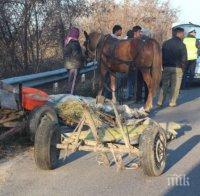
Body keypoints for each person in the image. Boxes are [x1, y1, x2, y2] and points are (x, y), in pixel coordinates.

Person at [157, 27, 187, 107]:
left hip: (166, 67)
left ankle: (160, 102)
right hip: (178, 68)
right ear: (179, 33)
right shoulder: (182, 44)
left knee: (164, 85)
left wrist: (163, 66)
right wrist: (183, 69)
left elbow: (161, 56)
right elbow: (184, 58)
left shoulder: (166, 43)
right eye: (183, 34)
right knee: (176, 86)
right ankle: (172, 102)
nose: (183, 35)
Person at [104, 25, 123, 99]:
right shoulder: (111, 39)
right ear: (117, 31)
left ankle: (111, 96)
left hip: (113, 64)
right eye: (120, 30)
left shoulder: (115, 39)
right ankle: (106, 96)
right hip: (108, 64)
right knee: (108, 80)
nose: (121, 32)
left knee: (112, 81)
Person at [64, 27, 84, 94]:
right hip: (75, 64)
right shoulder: (74, 42)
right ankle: (71, 96)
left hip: (69, 64)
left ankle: (68, 93)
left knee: (70, 80)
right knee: (74, 81)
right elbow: (76, 55)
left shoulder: (67, 41)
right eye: (77, 33)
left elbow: (66, 54)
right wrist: (83, 58)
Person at [132, 26, 148, 103]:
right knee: (139, 82)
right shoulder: (133, 41)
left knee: (144, 81)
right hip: (138, 64)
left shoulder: (143, 40)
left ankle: (145, 98)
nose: (140, 33)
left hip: (143, 64)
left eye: (141, 32)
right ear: (136, 32)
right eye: (139, 32)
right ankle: (139, 98)